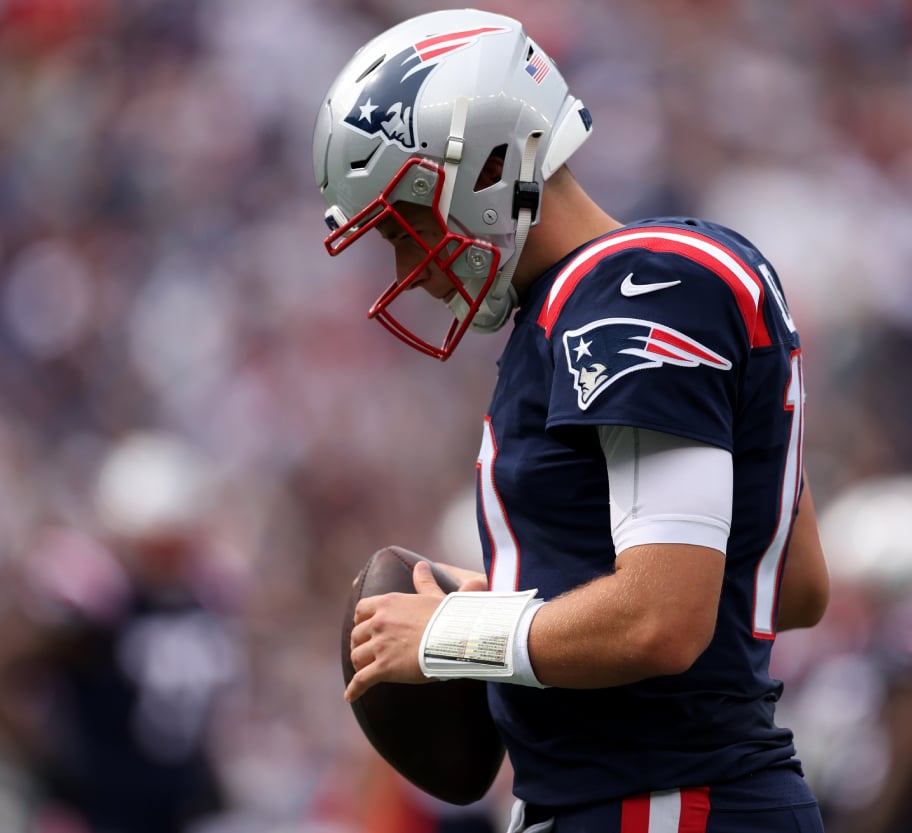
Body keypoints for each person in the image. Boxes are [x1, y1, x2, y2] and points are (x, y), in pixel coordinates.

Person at [314, 9, 830, 832]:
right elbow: (790, 583)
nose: (410, 270)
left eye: (406, 223)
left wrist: (456, 632)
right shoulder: (590, 300)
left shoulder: (637, 287)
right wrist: (540, 600)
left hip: (665, 804)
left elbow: (664, 619)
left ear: (483, 159)